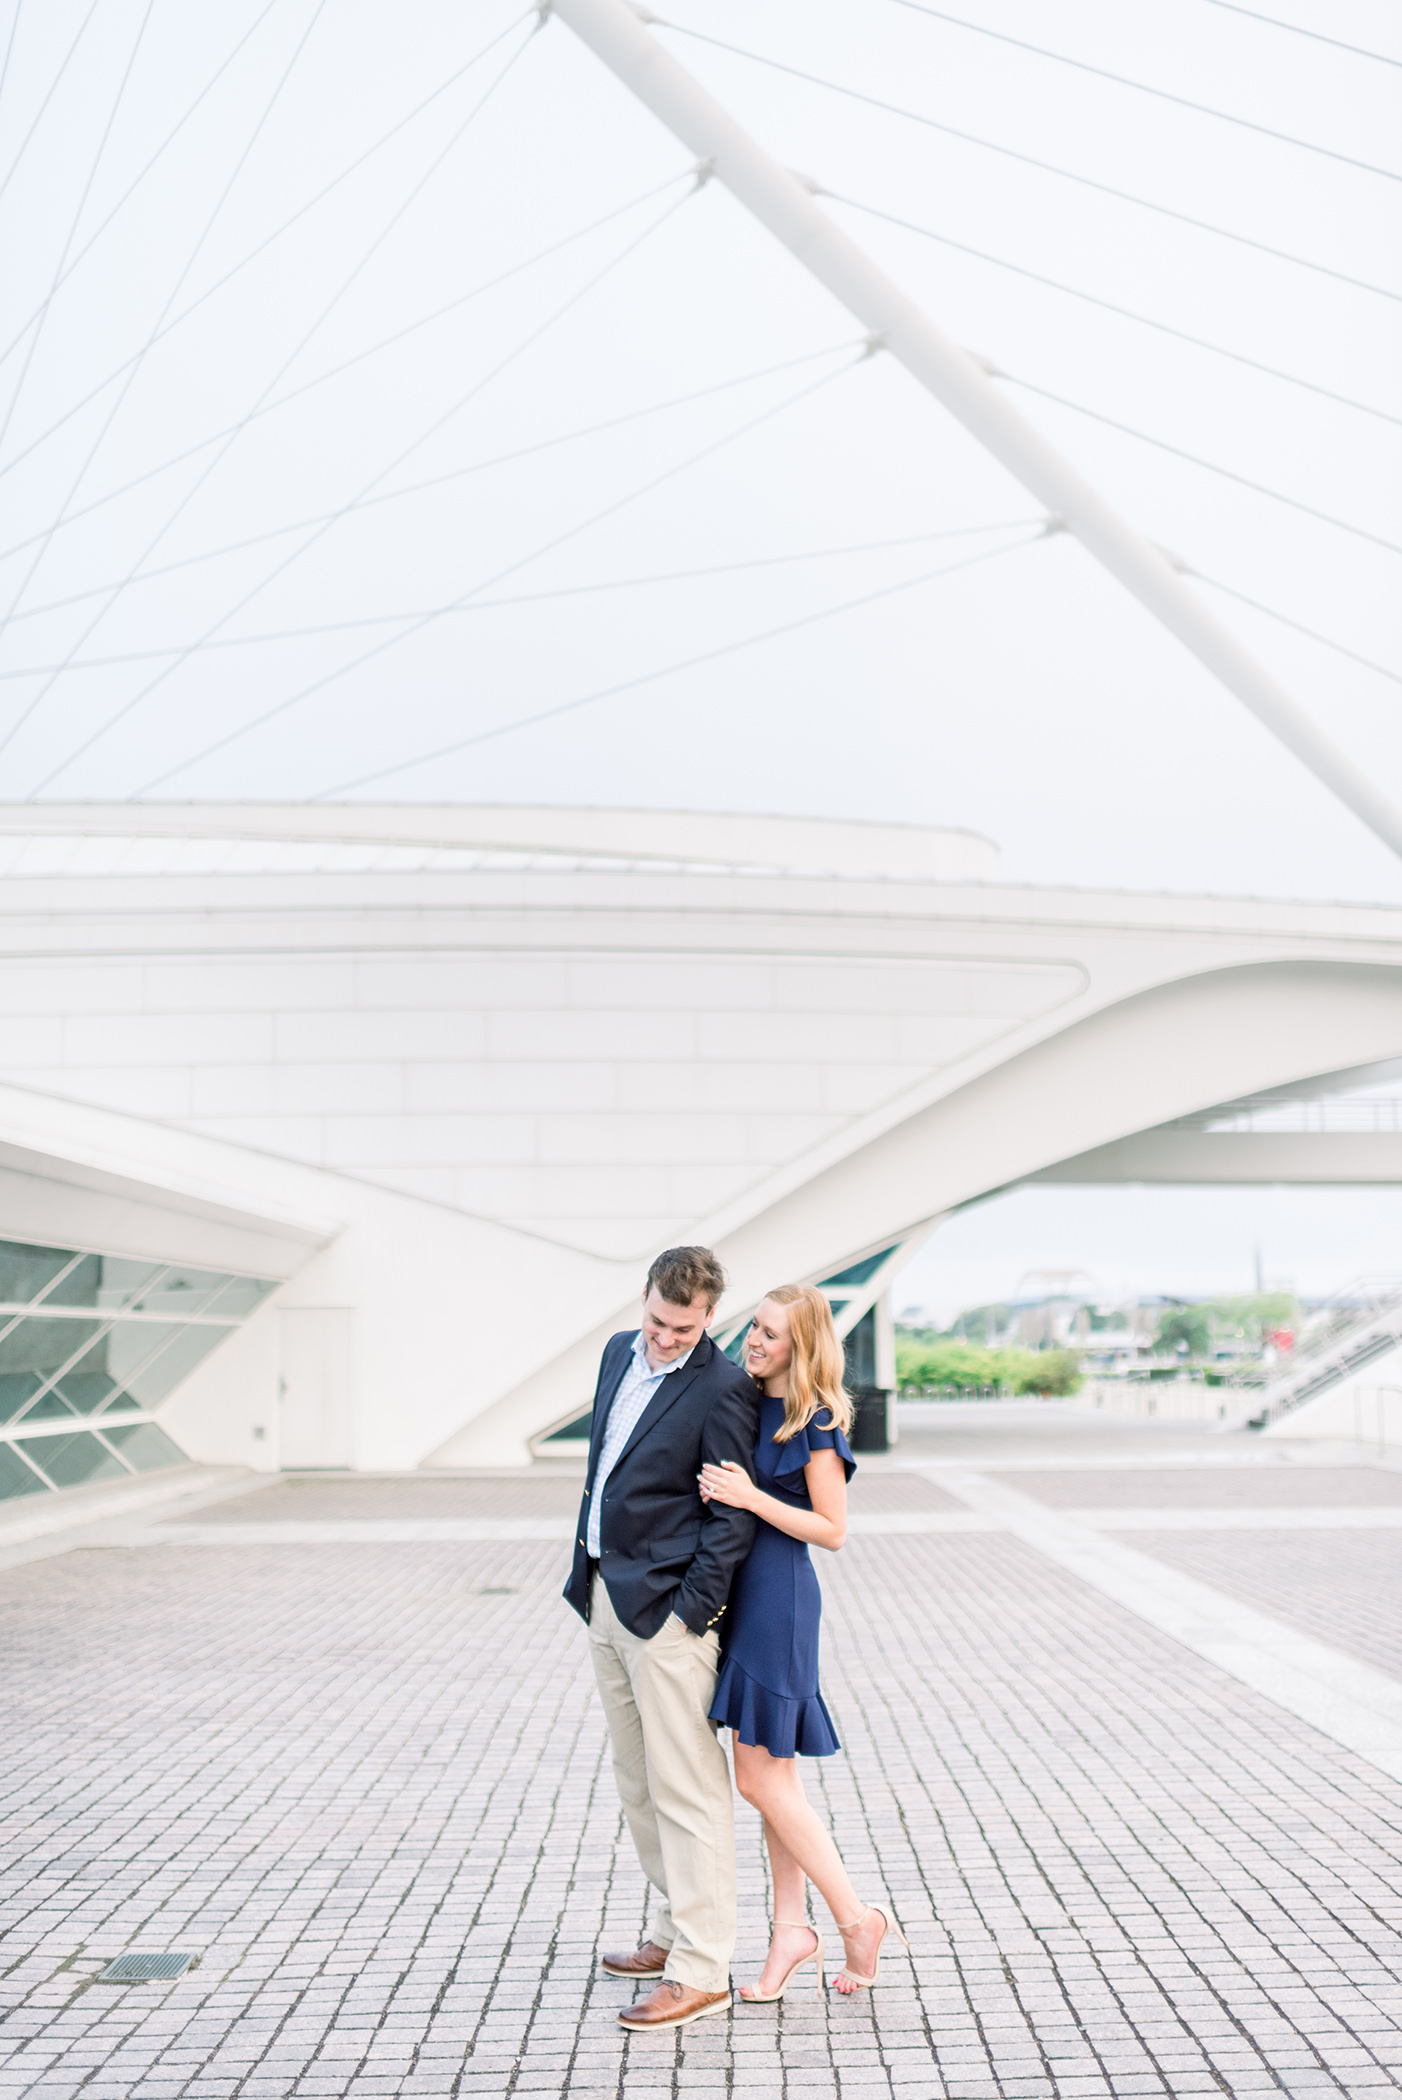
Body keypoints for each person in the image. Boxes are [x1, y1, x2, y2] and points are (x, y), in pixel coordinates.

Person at [563, 1245, 761, 2033]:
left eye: (684, 1327)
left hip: (668, 1616)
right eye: (657, 1320)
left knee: (688, 1789)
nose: (666, 1337)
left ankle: (703, 1967)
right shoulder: (618, 1350)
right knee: (637, 1780)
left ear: (710, 1317)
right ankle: (675, 1928)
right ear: (641, 1299)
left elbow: (730, 1516)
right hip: (604, 1591)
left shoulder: (724, 1389)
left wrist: (693, 1613)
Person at [699, 1283, 906, 1999]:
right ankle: (791, 1930)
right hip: (743, 1596)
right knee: (773, 1782)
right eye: (753, 1327)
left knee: (758, 1778)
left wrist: (751, 1497)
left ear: (803, 1345)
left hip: (780, 1601)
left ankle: (854, 1918)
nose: (754, 1340)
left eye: (771, 1334)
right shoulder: (746, 1402)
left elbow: (834, 1530)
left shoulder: (814, 1419)